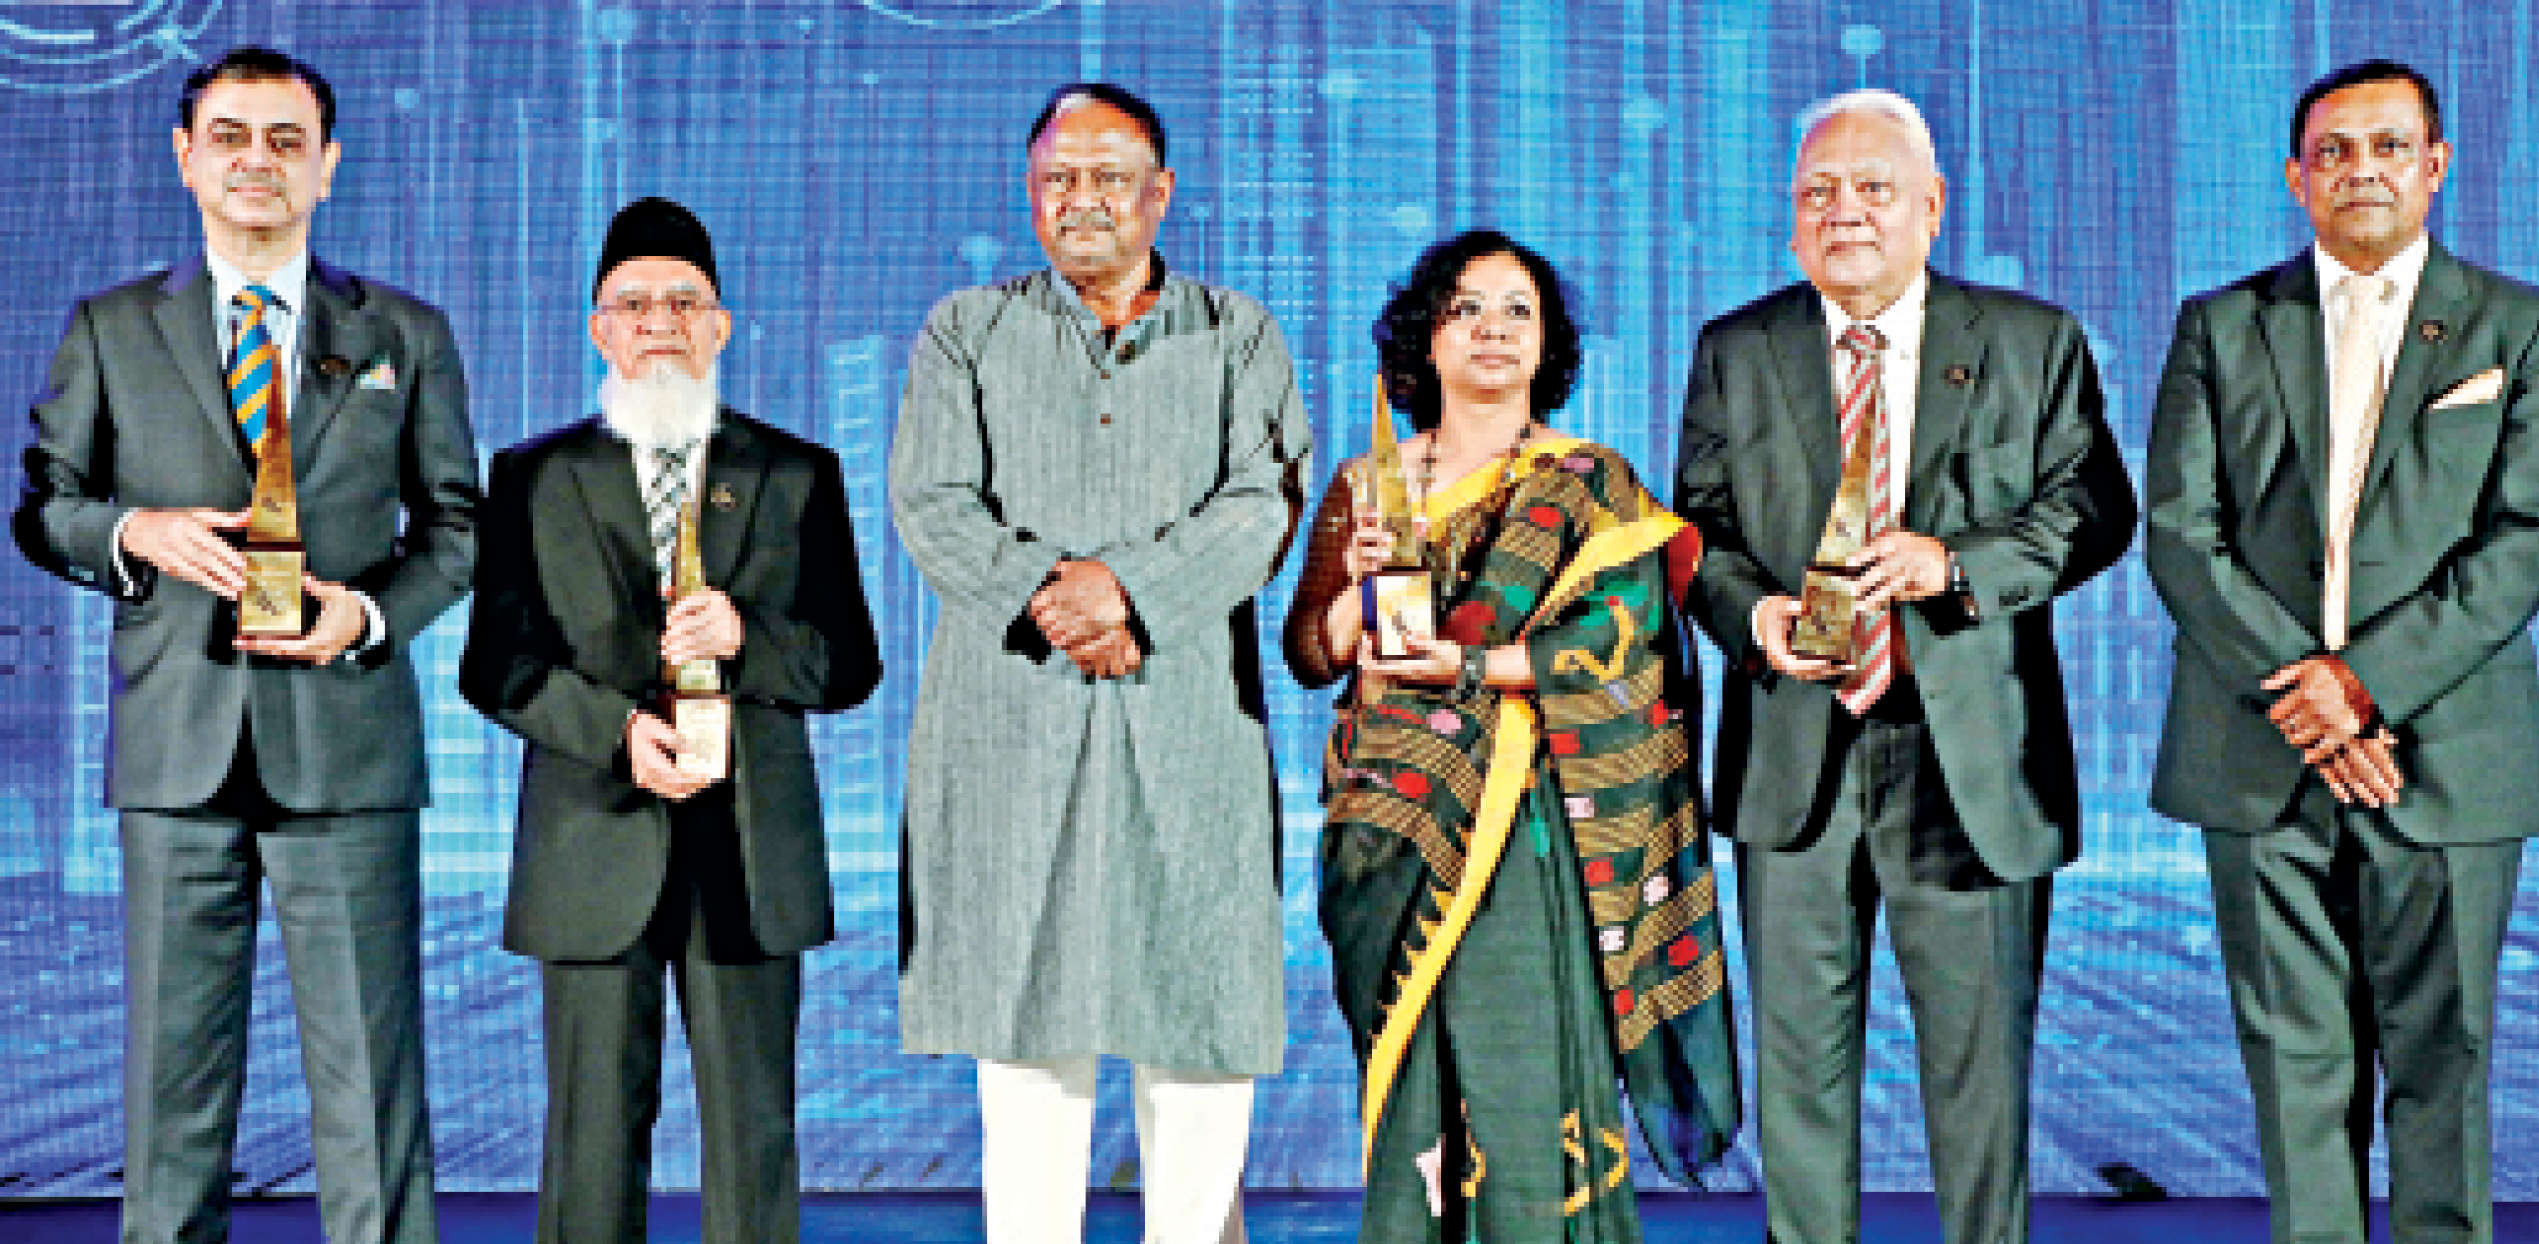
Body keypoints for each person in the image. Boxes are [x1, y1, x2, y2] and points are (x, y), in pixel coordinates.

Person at [11, 46, 478, 1244]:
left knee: (372, 1092)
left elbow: (456, 528)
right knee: (171, 1090)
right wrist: (136, 531)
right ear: (185, 158)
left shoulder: (403, 332)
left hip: (347, 748)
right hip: (177, 749)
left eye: (284, 140)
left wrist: (366, 615)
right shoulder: (111, 328)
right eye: (229, 136)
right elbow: (45, 505)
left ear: (327, 165)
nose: (255, 161)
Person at [1673, 88, 2134, 1244]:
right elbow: (1694, 533)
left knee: (1978, 1083)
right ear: (1790, 218)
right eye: (1816, 191)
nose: (1843, 211)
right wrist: (1750, 614)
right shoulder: (1735, 348)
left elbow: (2092, 509)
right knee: (1796, 1076)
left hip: (1969, 754)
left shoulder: (2030, 340)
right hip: (1792, 749)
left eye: (1871, 188)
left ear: (1930, 206)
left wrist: (1955, 564)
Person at [2145, 60, 2539, 1244]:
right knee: (2292, 1064)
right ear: (2295, 178)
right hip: (2258, 751)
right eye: (2332, 151)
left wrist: (2361, 686)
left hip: (2448, 755)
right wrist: (2308, 699)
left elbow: (2524, 540)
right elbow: (2180, 533)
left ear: (2433, 166)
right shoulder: (2219, 325)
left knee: (2443, 1058)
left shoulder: (2520, 325)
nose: (2361, 171)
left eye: (2388, 147)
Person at [887, 83, 1310, 1244]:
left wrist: (1128, 593)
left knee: (1199, 1024)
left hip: (1187, 722)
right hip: (1011, 720)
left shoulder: (1237, 333)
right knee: (1027, 1040)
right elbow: (931, 502)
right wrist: (1060, 601)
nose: (1081, 200)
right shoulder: (966, 329)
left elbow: (1261, 503)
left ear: (1158, 194)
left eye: (1108, 178)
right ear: (1029, 196)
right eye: (1057, 180)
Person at [1288, 229, 1740, 1242]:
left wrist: (1466, 667)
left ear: (1546, 344)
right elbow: (1310, 654)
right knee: (1412, 1089)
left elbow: (1621, 648)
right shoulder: (1366, 484)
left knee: (1528, 1085)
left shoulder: (1590, 486)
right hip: (1390, 829)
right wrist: (1359, 591)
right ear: (1426, 336)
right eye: (1466, 309)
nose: (1492, 330)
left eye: (1516, 311)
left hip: (1534, 831)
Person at [457, 197, 879, 1244]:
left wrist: (747, 636)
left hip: (749, 844)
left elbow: (850, 663)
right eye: (634, 304)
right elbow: (494, 666)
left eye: (683, 303)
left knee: (753, 1137)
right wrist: (615, 733)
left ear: (720, 326)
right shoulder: (532, 476)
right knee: (591, 1139)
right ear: (598, 329)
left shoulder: (795, 473)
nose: (659, 322)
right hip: (592, 833)